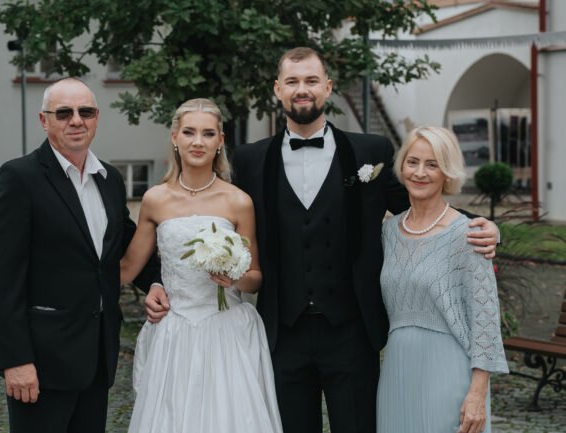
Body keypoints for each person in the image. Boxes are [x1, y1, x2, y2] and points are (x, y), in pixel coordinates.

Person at [145, 47, 499, 433]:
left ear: (327, 87)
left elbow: (421, 207)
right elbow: (204, 222)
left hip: (353, 333)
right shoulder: (249, 160)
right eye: (293, 81)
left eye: (311, 81)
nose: (303, 89)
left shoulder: (370, 151)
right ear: (278, 89)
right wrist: (158, 280)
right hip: (282, 334)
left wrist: (479, 225)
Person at [0, 77, 160, 433]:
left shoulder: (109, 179)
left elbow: (125, 244)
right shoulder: (18, 178)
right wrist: (15, 360)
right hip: (42, 362)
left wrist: (156, 280)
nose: (76, 120)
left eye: (85, 112)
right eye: (64, 113)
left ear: (96, 118)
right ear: (44, 121)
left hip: (97, 357)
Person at [120, 98, 283, 433]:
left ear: (220, 141)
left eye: (208, 134)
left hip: (226, 331)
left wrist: (234, 278)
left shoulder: (238, 201)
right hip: (174, 331)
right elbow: (127, 269)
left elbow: (255, 277)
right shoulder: (155, 199)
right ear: (175, 138)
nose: (198, 141)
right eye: (189, 132)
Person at [377, 126, 508, 433]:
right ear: (402, 167)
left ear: (447, 173)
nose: (420, 172)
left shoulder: (469, 235)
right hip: (396, 371)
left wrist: (477, 394)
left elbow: (486, 321)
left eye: (432, 164)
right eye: (412, 162)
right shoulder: (388, 233)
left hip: (448, 371)